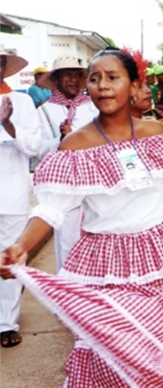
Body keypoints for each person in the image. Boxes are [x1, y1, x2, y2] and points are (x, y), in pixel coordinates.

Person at [0, 47, 163, 386]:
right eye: (94, 79)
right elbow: (51, 208)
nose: (102, 86)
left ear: (134, 85)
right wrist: (22, 246)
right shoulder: (76, 146)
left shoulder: (155, 133)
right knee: (114, 350)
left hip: (161, 258)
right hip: (105, 263)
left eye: (113, 77)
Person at [36, 54, 99, 271]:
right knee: (67, 238)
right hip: (64, 183)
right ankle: (69, 292)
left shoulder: (93, 106)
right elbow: (38, 149)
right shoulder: (45, 111)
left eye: (76, 75)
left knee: (97, 232)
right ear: (56, 80)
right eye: (66, 75)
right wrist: (61, 141)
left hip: (94, 179)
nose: (72, 80)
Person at [0, 46, 42, 347]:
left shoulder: (21, 102)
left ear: (4, 66)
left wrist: (8, 124)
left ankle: (6, 324)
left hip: (11, 195)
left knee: (10, 261)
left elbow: (34, 148)